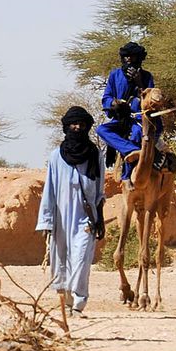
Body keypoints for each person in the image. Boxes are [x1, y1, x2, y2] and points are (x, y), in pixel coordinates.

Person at [36, 106, 106, 316]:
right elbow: (49, 189)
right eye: (74, 124)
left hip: (86, 217)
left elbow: (100, 190)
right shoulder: (56, 156)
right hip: (61, 217)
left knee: (82, 258)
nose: (77, 128)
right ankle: (65, 297)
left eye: (81, 125)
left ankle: (79, 300)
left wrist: (99, 217)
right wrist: (47, 221)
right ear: (66, 127)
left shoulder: (95, 155)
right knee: (61, 258)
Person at [95, 42, 157, 179]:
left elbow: (150, 101)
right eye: (126, 57)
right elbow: (107, 97)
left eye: (132, 57)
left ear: (139, 59)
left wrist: (139, 83)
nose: (128, 60)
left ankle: (127, 175)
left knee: (136, 134)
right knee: (101, 129)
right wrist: (113, 103)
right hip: (120, 118)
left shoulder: (147, 77)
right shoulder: (114, 75)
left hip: (138, 120)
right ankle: (132, 151)